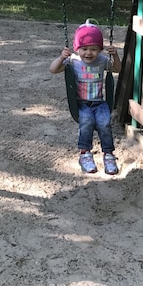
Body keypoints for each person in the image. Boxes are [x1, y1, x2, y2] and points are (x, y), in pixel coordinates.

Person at [49, 21, 121, 175]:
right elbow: (53, 69)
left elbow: (116, 69)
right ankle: (85, 154)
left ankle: (108, 155)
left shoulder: (102, 61)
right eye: (84, 49)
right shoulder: (73, 61)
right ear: (77, 48)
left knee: (104, 123)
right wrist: (61, 58)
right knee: (87, 122)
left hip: (99, 102)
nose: (89, 53)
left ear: (100, 50)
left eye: (94, 49)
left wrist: (115, 55)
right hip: (81, 103)